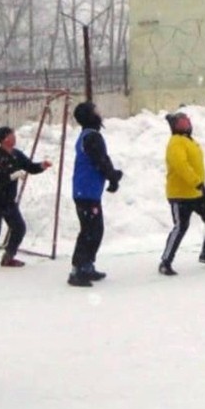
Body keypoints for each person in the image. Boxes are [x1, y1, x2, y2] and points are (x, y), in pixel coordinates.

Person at [158, 111, 205, 276]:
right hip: (180, 194)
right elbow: (181, 166)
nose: (187, 123)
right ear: (175, 126)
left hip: (196, 193)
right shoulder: (176, 142)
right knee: (180, 227)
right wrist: (197, 182)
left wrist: (199, 185)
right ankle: (165, 261)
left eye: (187, 120)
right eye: (183, 122)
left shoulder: (189, 141)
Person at [68, 101, 122, 287]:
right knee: (90, 231)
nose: (99, 113)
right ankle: (78, 270)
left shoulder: (88, 135)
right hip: (86, 191)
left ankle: (87, 265)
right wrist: (112, 177)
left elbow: (102, 160)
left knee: (94, 230)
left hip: (86, 190)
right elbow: (101, 160)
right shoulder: (92, 137)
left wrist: (112, 176)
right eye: (95, 111)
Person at [0, 126, 52, 267]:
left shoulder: (16, 154)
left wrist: (41, 166)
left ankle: (8, 256)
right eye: (11, 135)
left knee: (19, 228)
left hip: (8, 201)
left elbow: (30, 167)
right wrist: (12, 176)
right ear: (4, 139)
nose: (14, 137)